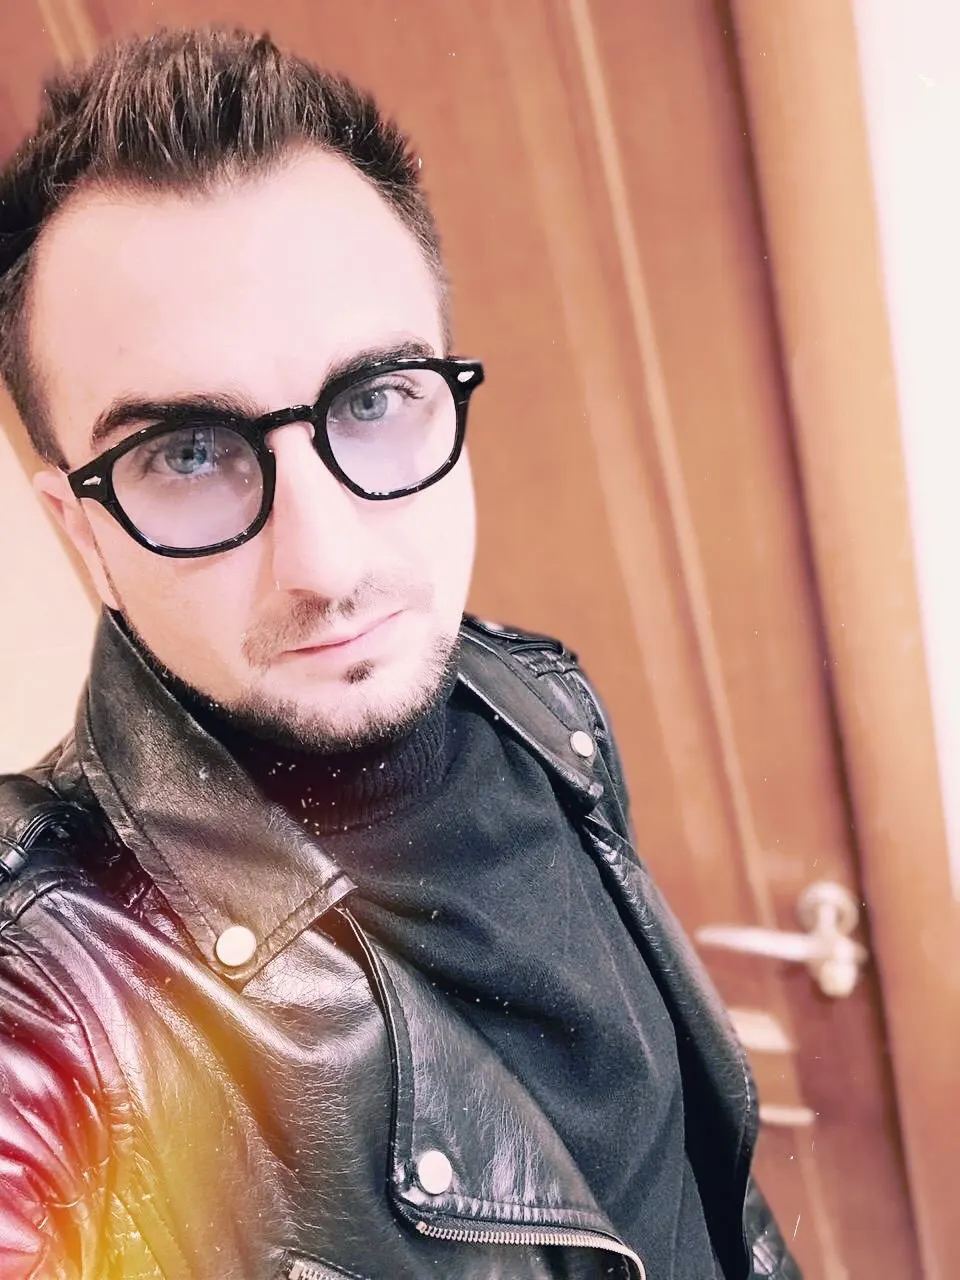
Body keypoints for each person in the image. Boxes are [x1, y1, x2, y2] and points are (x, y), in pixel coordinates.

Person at [0, 26, 798, 1280]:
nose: (325, 562)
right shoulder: (60, 981)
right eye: (187, 453)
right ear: (80, 530)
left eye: (372, 400)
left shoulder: (542, 701)